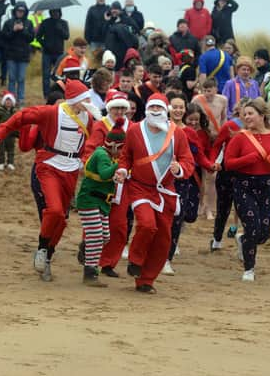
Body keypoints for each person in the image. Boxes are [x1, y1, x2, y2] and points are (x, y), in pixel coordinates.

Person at [0, 80, 100, 281]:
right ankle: (41, 248)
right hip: (49, 165)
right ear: (75, 100)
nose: (89, 102)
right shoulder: (53, 112)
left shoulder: (89, 119)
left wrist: (84, 160)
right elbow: (21, 116)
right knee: (54, 210)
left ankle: (48, 255)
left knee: (62, 219)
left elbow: (92, 142)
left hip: (72, 170)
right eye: (86, 99)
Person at [114, 93, 194, 293]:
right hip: (140, 188)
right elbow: (125, 157)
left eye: (159, 107)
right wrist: (123, 170)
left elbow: (188, 161)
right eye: (153, 107)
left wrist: (179, 169)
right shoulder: (134, 130)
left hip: (165, 191)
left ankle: (145, 280)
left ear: (165, 110)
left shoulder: (178, 134)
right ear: (147, 109)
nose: (156, 111)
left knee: (163, 238)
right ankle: (135, 260)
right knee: (147, 225)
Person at [224, 98, 270, 281]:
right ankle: (249, 269)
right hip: (244, 185)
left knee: (263, 232)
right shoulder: (239, 137)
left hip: (266, 185)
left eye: (251, 113)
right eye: (245, 114)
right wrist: (247, 159)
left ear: (262, 115)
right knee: (252, 226)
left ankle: (243, 241)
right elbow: (228, 163)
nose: (247, 117)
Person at [83, 91, 134, 278]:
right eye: (116, 108)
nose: (119, 111)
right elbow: (90, 152)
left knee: (119, 226)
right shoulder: (100, 127)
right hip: (101, 182)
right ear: (110, 108)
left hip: (124, 183)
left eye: (123, 108)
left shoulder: (133, 129)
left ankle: (108, 262)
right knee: (96, 223)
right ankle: (90, 260)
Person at [164, 97, 212, 275]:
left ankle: (167, 259)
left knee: (179, 219)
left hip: (183, 180)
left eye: (180, 107)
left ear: (185, 110)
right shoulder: (160, 128)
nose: (177, 110)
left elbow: (197, 155)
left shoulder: (190, 133)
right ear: (169, 108)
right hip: (161, 180)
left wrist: (209, 165)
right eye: (174, 107)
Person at [76, 118, 125, 287]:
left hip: (100, 202)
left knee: (105, 236)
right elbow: (104, 174)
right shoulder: (102, 155)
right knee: (97, 236)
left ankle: (86, 247)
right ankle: (90, 272)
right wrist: (119, 164)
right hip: (89, 199)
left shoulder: (107, 155)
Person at [206, 98, 247, 251]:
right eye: (245, 111)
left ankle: (244, 238)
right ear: (239, 110)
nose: (247, 115)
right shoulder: (230, 126)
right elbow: (217, 146)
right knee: (223, 208)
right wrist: (212, 162)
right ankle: (217, 238)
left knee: (244, 206)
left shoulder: (257, 128)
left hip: (247, 172)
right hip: (227, 171)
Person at [1, 1, 34, 106]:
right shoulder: (9, 22)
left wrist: (23, 30)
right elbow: (4, 37)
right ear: (15, 11)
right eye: (18, 10)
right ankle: (11, 99)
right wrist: (13, 30)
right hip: (11, 55)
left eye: (22, 11)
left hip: (23, 55)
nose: (20, 12)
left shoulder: (29, 23)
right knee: (11, 78)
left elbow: (31, 38)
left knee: (21, 78)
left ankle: (21, 99)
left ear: (25, 12)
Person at [37, 8, 70, 97]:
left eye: (57, 12)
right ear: (50, 13)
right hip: (47, 53)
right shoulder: (45, 22)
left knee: (59, 75)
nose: (55, 14)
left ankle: (58, 93)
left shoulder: (63, 23)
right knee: (46, 75)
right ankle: (46, 95)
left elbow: (66, 36)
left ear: (60, 13)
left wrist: (60, 29)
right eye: (53, 12)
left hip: (59, 53)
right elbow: (38, 37)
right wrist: (45, 44)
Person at [0, 91, 17, 171]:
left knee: (11, 149)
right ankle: (1, 163)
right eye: (7, 100)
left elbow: (17, 124)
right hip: (1, 134)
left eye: (10, 101)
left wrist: (17, 133)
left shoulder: (15, 112)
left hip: (11, 134)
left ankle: (10, 163)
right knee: (1, 149)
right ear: (4, 101)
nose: (8, 102)